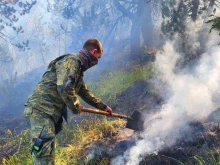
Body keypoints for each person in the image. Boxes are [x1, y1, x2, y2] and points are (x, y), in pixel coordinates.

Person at [24, 38, 113, 165]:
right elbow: (64, 87)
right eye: (97, 58)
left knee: (47, 151)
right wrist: (75, 106)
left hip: (47, 112)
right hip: (41, 109)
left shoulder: (77, 71)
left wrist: (103, 107)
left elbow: (85, 93)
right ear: (94, 52)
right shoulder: (71, 61)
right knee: (43, 153)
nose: (96, 62)